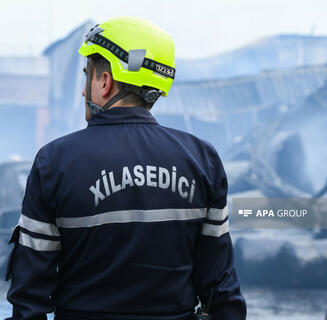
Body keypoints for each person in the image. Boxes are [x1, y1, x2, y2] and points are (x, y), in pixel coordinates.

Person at [5, 17, 247, 320]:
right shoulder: (202, 160)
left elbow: (29, 298)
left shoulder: (54, 162)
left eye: (87, 77)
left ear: (105, 81)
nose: (83, 92)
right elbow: (221, 289)